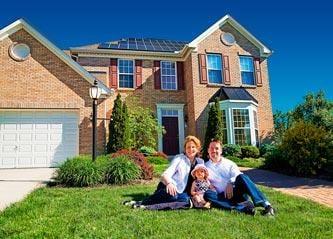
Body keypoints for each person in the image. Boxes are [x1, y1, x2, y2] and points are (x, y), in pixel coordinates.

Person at [124, 135, 204, 210]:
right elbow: (165, 174)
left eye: (193, 147)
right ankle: (144, 203)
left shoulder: (200, 162)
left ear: (197, 148)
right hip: (170, 187)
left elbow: (204, 178)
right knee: (174, 197)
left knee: (185, 199)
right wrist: (169, 183)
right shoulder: (179, 159)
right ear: (185, 149)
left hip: (185, 193)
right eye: (188, 147)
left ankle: (147, 206)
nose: (190, 149)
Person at [204, 139, 275, 216]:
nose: (214, 150)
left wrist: (230, 182)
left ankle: (267, 206)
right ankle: (243, 208)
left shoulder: (229, 163)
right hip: (222, 196)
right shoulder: (205, 167)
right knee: (208, 194)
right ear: (208, 150)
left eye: (217, 148)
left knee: (242, 177)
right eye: (211, 148)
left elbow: (237, 174)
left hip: (237, 192)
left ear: (221, 151)